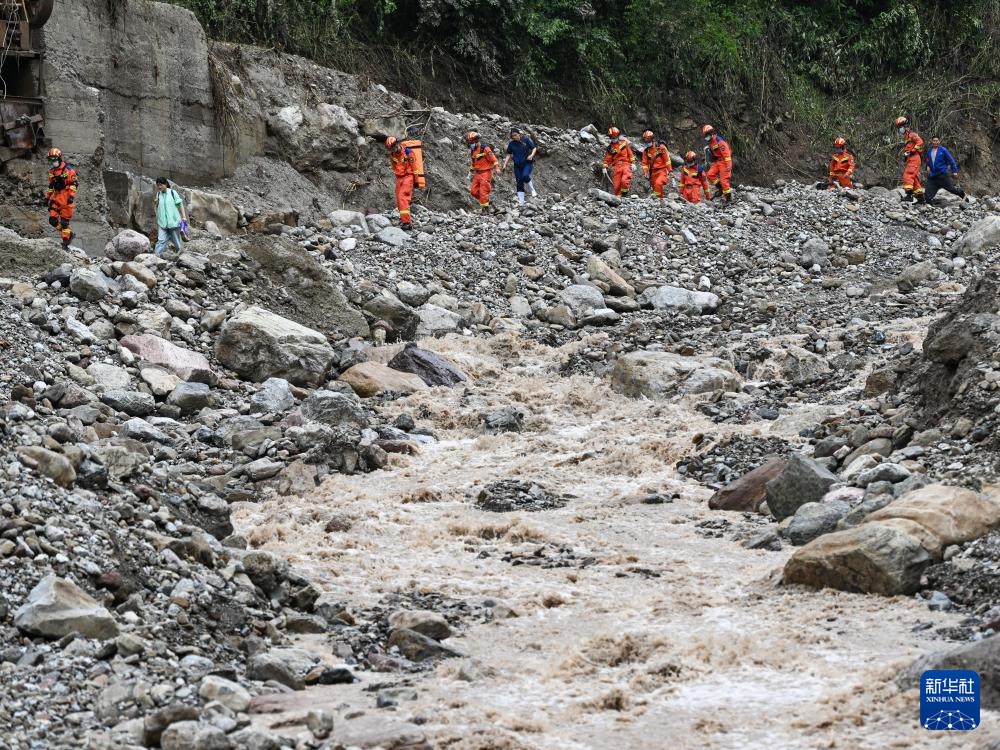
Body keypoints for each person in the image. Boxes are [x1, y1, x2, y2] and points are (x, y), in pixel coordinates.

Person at [45, 147, 78, 248]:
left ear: (59, 158)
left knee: (64, 222)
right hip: (56, 198)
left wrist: (71, 196)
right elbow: (51, 186)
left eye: (54, 159)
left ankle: (65, 241)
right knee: (52, 221)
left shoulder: (68, 170)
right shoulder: (51, 172)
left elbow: (74, 183)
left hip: (66, 198)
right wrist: (47, 197)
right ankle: (68, 233)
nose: (52, 161)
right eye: (50, 159)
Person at [152, 177, 189, 256]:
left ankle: (183, 258)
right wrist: (156, 203)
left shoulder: (173, 192)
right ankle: (156, 258)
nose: (159, 187)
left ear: (165, 184)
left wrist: (184, 217)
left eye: (161, 185)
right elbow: (157, 208)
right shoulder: (158, 194)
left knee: (177, 243)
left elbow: (180, 205)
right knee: (161, 240)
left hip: (174, 223)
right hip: (162, 223)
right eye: (157, 185)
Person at [465, 131, 501, 213]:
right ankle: (487, 202)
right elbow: (474, 163)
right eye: (469, 142)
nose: (470, 144)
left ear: (476, 141)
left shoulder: (485, 148)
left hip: (486, 173)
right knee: (473, 191)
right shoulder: (473, 151)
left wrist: (497, 168)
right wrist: (470, 173)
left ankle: (485, 209)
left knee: (483, 191)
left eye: (471, 142)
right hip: (477, 174)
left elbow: (494, 159)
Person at [502, 127, 538, 206]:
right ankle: (521, 202)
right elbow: (508, 154)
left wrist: (531, 155)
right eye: (512, 136)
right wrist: (505, 164)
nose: (514, 137)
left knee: (525, 176)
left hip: (527, 163)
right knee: (519, 182)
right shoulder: (511, 144)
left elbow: (534, 148)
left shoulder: (526, 139)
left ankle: (532, 190)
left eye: (515, 135)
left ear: (519, 134)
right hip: (517, 166)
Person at [924, 135, 965, 203]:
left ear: (939, 141)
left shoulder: (943, 150)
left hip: (942, 175)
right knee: (927, 195)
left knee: (952, 189)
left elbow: (951, 161)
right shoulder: (929, 150)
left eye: (937, 141)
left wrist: (954, 171)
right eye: (934, 141)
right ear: (932, 141)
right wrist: (928, 166)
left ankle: (961, 193)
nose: (935, 142)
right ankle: (931, 206)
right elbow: (928, 160)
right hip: (933, 176)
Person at [385, 136, 415, 229]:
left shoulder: (408, 152)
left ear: (398, 144)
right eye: (391, 148)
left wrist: (415, 179)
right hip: (399, 178)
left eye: (394, 147)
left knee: (403, 198)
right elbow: (394, 167)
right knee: (399, 199)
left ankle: (407, 223)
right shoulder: (392, 156)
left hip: (408, 177)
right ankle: (404, 219)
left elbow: (414, 165)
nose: (393, 149)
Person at [895, 116, 925, 203]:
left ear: (905, 126)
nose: (900, 129)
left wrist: (912, 151)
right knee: (914, 179)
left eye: (900, 127)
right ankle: (921, 198)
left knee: (908, 175)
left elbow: (920, 142)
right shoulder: (906, 136)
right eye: (899, 127)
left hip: (914, 158)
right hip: (911, 158)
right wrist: (906, 156)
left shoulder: (911, 134)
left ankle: (909, 196)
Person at [602, 126, 636, 197]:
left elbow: (630, 154)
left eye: (614, 136)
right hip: (617, 167)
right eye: (612, 137)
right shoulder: (610, 148)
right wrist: (604, 167)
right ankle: (618, 199)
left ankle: (624, 195)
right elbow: (608, 159)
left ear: (618, 136)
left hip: (626, 165)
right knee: (616, 184)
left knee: (624, 181)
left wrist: (633, 163)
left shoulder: (624, 143)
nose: (613, 138)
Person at [702, 124, 733, 201]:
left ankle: (728, 199)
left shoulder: (720, 141)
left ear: (711, 133)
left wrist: (729, 165)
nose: (706, 137)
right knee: (710, 174)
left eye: (707, 135)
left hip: (724, 162)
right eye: (705, 135)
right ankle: (721, 189)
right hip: (718, 161)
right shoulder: (711, 142)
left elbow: (727, 154)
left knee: (724, 181)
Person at [640, 130, 673, 199]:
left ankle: (658, 200)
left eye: (648, 141)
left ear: (652, 139)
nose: (647, 142)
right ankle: (660, 202)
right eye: (645, 141)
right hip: (653, 173)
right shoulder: (646, 151)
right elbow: (644, 163)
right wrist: (645, 172)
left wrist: (670, 170)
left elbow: (667, 160)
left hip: (662, 170)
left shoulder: (660, 147)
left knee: (658, 183)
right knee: (655, 188)